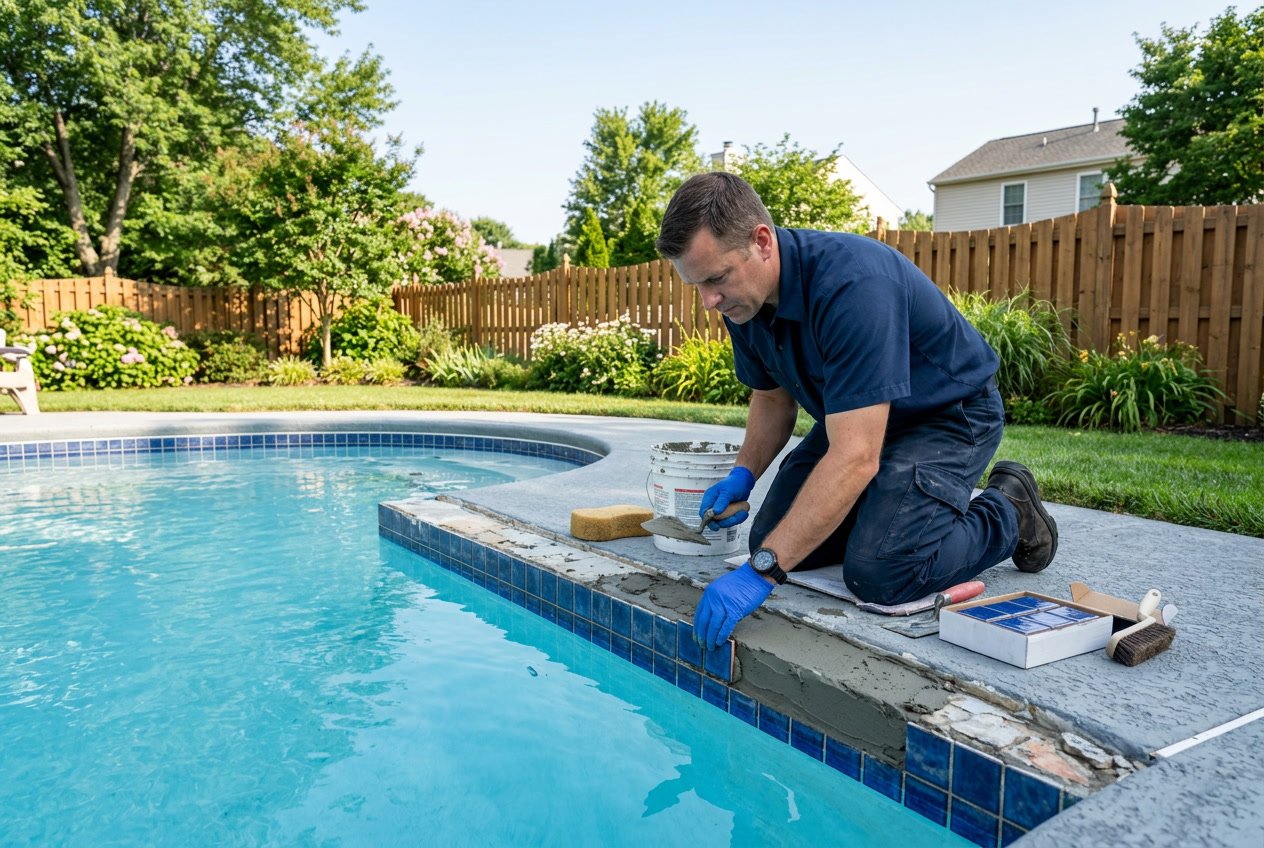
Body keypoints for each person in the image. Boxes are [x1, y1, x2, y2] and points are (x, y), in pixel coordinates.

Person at [655, 173, 1058, 651]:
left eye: (716, 279)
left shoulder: (853, 285)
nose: (709, 301)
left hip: (947, 415)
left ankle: (1008, 509)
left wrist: (760, 575)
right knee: (771, 538)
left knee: (883, 572)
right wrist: (743, 475)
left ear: (761, 241)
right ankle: (891, 509)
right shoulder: (746, 302)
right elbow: (772, 397)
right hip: (859, 422)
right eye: (697, 285)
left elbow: (855, 458)